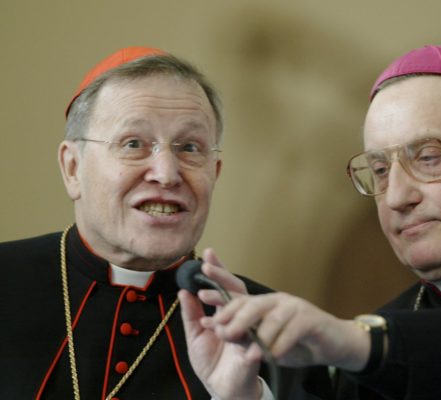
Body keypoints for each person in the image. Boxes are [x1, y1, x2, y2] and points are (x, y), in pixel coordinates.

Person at [182, 45, 441, 399]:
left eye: (429, 157)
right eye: (380, 170)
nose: (396, 197)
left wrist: (364, 343)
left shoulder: (371, 342)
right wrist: (245, 395)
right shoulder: (377, 337)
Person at [0, 46, 332, 399]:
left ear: (215, 173)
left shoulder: (276, 336)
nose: (167, 174)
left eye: (190, 148)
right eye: (133, 144)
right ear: (72, 168)